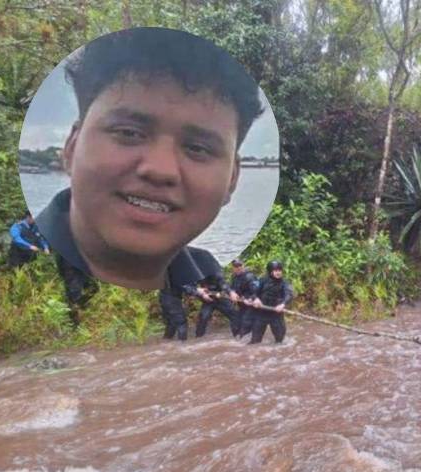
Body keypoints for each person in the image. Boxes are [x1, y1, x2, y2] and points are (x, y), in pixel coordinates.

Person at [34, 27, 263, 290]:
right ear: (71, 147)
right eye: (129, 133)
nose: (160, 170)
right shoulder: (14, 271)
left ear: (232, 179)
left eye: (198, 149)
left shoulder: (210, 275)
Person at [191, 248, 239, 338]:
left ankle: (238, 337)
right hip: (207, 299)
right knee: (203, 318)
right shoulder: (196, 270)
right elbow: (191, 286)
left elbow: (223, 284)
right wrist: (200, 293)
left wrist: (230, 292)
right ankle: (198, 338)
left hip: (220, 297)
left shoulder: (215, 270)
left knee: (234, 315)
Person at [251, 260, 293, 344]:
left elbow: (289, 295)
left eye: (279, 270)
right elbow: (253, 292)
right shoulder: (262, 280)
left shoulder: (284, 283)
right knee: (255, 341)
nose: (278, 273)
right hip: (262, 312)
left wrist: (283, 304)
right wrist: (255, 298)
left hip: (276, 313)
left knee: (280, 341)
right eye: (276, 271)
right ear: (270, 271)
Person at [230, 259, 258, 338]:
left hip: (250, 306)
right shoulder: (234, 277)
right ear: (233, 268)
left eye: (240, 265)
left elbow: (257, 292)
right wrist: (232, 293)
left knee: (245, 326)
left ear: (243, 266)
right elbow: (231, 288)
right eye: (236, 266)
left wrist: (249, 298)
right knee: (235, 325)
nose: (238, 268)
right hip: (241, 306)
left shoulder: (250, 277)